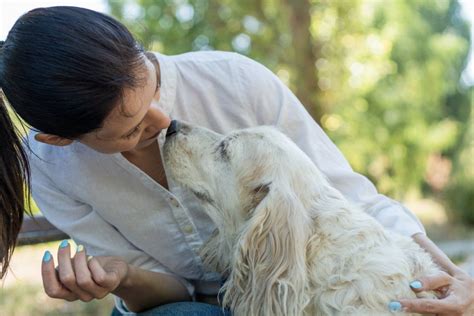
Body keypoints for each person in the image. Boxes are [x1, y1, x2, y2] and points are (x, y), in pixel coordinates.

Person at [0, 5, 472, 316]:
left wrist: (456, 282)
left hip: (294, 294)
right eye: (131, 129)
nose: (165, 122)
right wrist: (121, 277)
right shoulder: (51, 169)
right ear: (60, 139)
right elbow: (174, 292)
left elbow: (349, 199)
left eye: (154, 92)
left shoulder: (237, 81)